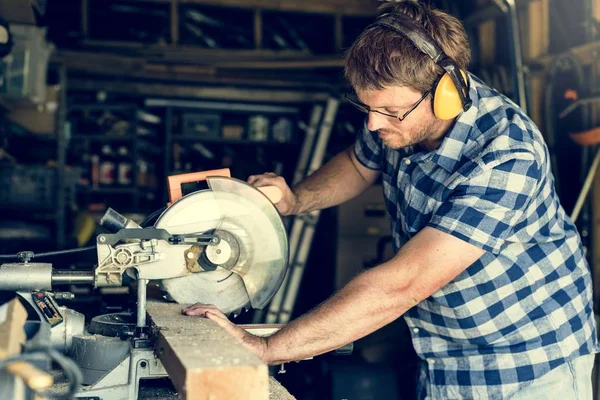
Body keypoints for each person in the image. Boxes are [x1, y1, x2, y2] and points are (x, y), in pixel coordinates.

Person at [182, 1, 599, 398]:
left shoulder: (507, 155)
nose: (373, 123)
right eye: (366, 107)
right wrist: (296, 200)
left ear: (446, 93)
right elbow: (359, 162)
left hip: (530, 360)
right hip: (442, 351)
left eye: (388, 112)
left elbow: (402, 284)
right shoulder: (396, 114)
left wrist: (266, 348)